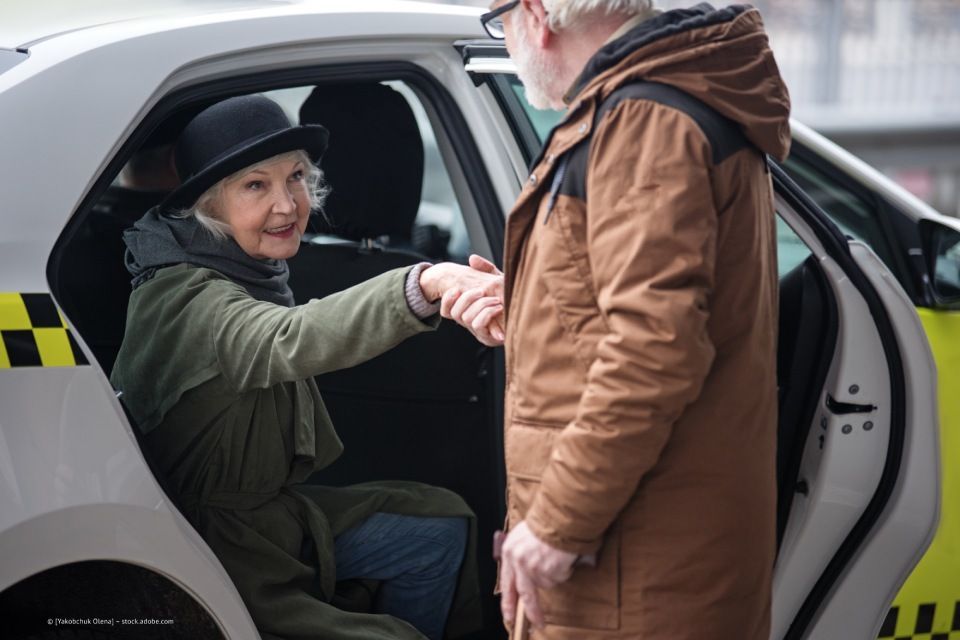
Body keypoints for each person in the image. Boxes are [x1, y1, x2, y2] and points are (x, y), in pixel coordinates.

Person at [446, 1, 791, 638]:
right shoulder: (668, 103)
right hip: (646, 557)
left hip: (632, 568)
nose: (509, 42)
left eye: (499, 19)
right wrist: (529, 302)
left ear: (536, 13)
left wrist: (555, 523)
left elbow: (654, 349)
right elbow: (643, 309)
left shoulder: (644, 122)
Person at [110, 94, 503, 640]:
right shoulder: (188, 295)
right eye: (255, 185)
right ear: (207, 205)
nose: (288, 204)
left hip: (277, 519)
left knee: (440, 523)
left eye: (295, 177)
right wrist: (425, 282)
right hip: (222, 549)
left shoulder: (242, 268)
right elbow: (288, 337)